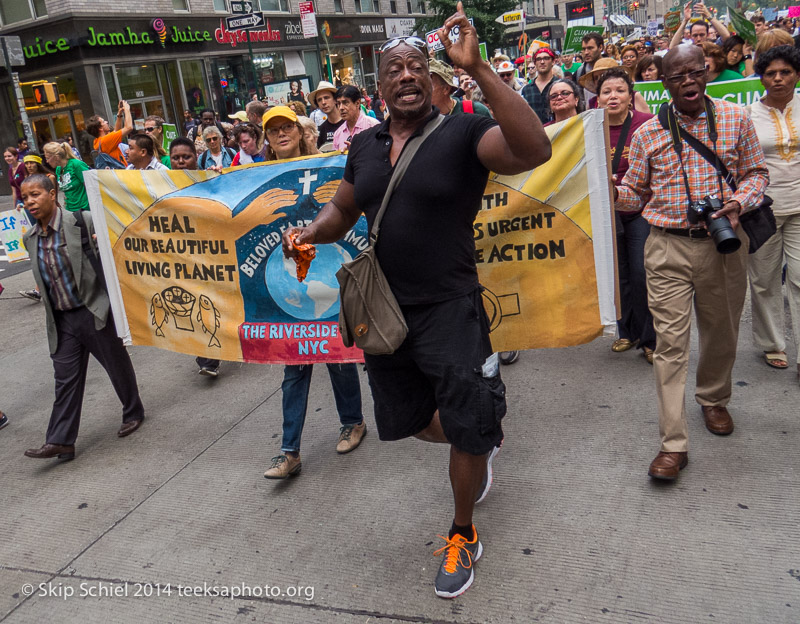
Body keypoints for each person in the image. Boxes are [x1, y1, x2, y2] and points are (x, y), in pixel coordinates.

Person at [282, 7, 552, 597]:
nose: (404, 76)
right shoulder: (367, 146)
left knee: (465, 429)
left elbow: (535, 150)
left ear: (430, 78)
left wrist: (478, 68)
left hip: (451, 308)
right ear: (379, 87)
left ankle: (463, 531)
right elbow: (345, 208)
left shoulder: (462, 131)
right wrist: (310, 231)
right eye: (392, 69)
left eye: (414, 67)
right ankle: (482, 433)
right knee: (406, 422)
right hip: (385, 313)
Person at [613, 45, 768, 481]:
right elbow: (634, 193)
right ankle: (673, 444)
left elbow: (757, 172)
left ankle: (714, 397)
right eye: (677, 76)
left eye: (695, 72)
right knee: (671, 346)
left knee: (722, 330)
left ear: (707, 72)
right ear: (664, 83)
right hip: (666, 248)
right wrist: (611, 192)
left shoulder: (735, 120)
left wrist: (739, 201)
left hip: (723, 243)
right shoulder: (648, 134)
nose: (688, 81)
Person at [260, 107, 366, 479]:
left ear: (300, 130)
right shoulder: (255, 176)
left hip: (329, 275)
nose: (280, 134)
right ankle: (289, 452)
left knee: (338, 356)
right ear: (267, 139)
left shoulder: (326, 164)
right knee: (294, 368)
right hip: (289, 285)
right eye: (272, 131)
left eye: (286, 126)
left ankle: (353, 421)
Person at [21, 174, 145, 461]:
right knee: (64, 379)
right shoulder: (30, 238)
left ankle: (133, 411)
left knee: (116, 364)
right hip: (62, 321)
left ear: (53, 194)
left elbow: (117, 238)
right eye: (26, 197)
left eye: (36, 194)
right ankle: (61, 440)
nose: (30, 202)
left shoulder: (81, 221)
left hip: (93, 309)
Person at [746, 45, 800, 383]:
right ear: (761, 77)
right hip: (762, 209)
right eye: (770, 73)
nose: (778, 79)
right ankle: (771, 343)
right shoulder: (748, 115)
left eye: (785, 72)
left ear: (796, 74)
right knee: (764, 280)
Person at [597, 68, 656, 363]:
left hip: (641, 209)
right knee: (618, 276)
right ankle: (626, 331)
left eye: (619, 90)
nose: (613, 96)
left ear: (630, 96)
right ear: (598, 99)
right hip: (607, 214)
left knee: (641, 273)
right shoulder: (590, 128)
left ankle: (650, 339)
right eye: (606, 91)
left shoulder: (648, 125)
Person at [166, 137, 224, 377]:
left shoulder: (209, 179)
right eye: (176, 158)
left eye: (186, 157)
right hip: (181, 259)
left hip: (212, 256)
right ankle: (207, 358)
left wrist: (219, 177)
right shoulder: (160, 184)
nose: (181, 162)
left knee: (213, 303)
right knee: (192, 304)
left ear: (195, 159)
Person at [43, 141, 92, 212]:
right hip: (70, 210)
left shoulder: (76, 164)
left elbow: (91, 185)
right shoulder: (58, 169)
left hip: (85, 209)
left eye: (47, 158)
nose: (47, 161)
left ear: (56, 157)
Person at [86, 100, 133, 168]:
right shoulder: (106, 141)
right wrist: (127, 110)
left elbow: (116, 131)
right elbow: (129, 127)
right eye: (103, 122)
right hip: (120, 173)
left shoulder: (97, 141)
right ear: (100, 129)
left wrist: (119, 114)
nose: (106, 122)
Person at [521, 48, 559, 123]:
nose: (542, 62)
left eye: (546, 58)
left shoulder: (560, 85)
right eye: (538, 59)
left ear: (553, 61)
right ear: (535, 63)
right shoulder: (526, 89)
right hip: (534, 132)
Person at [307, 81, 344, 147]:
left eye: (326, 98)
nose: (323, 102)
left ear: (335, 100)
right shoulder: (321, 130)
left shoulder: (349, 123)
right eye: (319, 100)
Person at [573, 32, 605, 106]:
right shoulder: (579, 73)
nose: (586, 52)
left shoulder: (612, 68)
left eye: (590, 48)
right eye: (584, 49)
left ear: (600, 47)